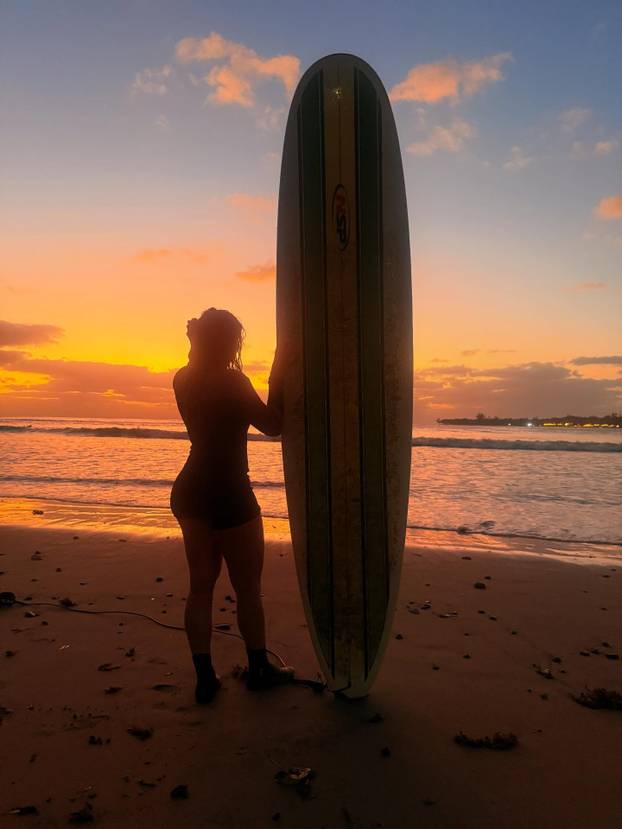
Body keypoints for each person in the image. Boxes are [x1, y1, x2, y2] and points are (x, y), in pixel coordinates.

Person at [170, 307, 295, 704]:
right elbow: (274, 424)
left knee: (200, 588)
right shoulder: (232, 382)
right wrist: (278, 377)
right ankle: (258, 669)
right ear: (228, 342)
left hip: (190, 491)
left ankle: (205, 678)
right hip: (229, 493)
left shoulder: (182, 379)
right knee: (247, 590)